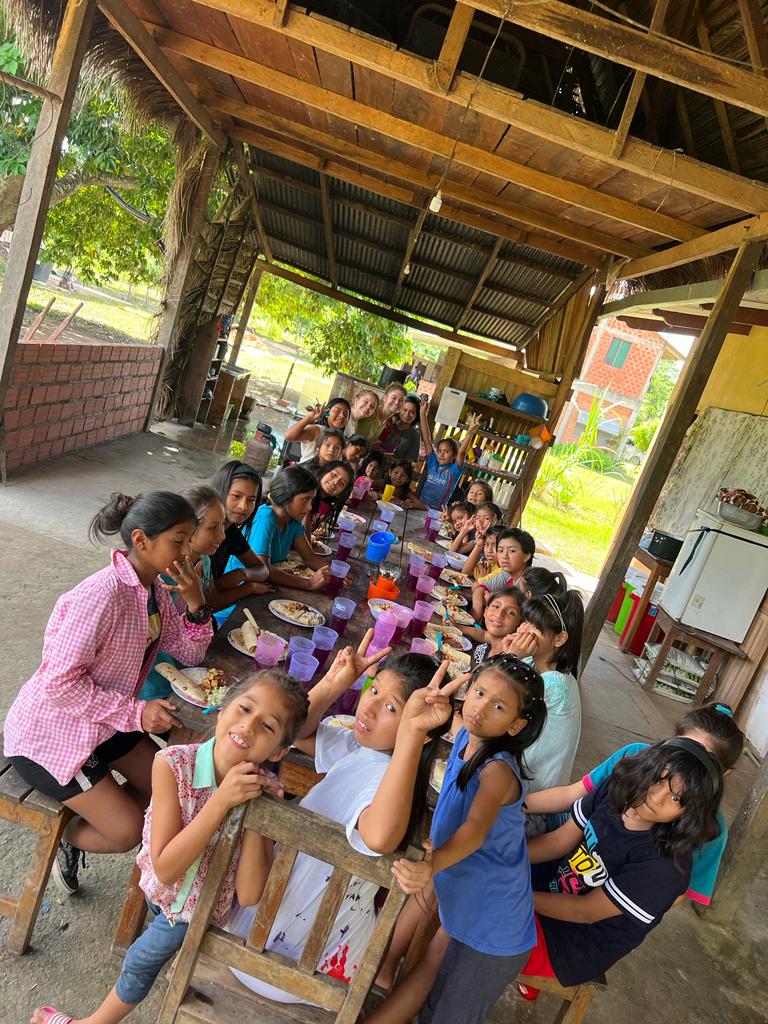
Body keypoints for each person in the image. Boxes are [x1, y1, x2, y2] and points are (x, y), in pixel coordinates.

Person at [30, 671, 309, 1024]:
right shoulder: (172, 764)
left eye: (267, 726)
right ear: (222, 710)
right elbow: (163, 868)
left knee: (139, 960)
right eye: (244, 708)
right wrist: (221, 801)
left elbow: (251, 894)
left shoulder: (263, 792)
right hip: (162, 884)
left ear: (280, 750)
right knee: (157, 906)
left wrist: (258, 815)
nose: (248, 726)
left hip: (198, 907)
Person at [227, 636, 466, 1004]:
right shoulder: (363, 750)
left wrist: (412, 734)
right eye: (372, 690)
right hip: (308, 970)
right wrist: (337, 681)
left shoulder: (386, 780)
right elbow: (297, 732)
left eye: (390, 707)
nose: (368, 709)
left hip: (260, 945)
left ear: (421, 727)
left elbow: (380, 837)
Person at [3, 492, 214, 895]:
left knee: (170, 784)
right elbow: (60, 684)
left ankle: (103, 799)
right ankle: (68, 838)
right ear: (142, 540)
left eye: (189, 540)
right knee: (128, 830)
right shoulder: (101, 596)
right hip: (52, 736)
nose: (188, 550)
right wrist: (136, 715)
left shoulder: (153, 590)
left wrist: (196, 605)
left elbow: (187, 653)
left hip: (103, 722)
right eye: (179, 540)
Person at [363, 654, 548, 1024]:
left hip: (494, 927)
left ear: (515, 726)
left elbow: (475, 830)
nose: (480, 707)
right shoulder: (468, 733)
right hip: (466, 902)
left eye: (498, 706)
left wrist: (432, 864)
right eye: (478, 693)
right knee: (430, 976)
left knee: (451, 1015)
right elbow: (433, 717)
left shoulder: (497, 772)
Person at [518, 740, 723, 995]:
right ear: (647, 767)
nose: (656, 797)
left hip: (566, 943)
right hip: (547, 891)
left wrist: (515, 894)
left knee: (473, 919)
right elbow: (559, 841)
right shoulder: (618, 790)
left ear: (689, 812)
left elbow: (585, 911)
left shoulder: (666, 867)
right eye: (659, 779)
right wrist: (500, 864)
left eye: (675, 797)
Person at [523, 702, 744, 907]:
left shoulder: (710, 827)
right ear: (673, 741)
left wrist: (621, 907)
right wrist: (515, 804)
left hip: (600, 896)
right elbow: (572, 796)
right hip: (571, 836)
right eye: (687, 748)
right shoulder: (635, 756)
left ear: (724, 773)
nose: (656, 797)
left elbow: (674, 894)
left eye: (705, 761)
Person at [141, 486, 227, 700]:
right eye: (213, 528)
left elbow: (207, 606)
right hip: (156, 677)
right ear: (189, 530)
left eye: (222, 526)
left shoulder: (204, 561)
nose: (222, 535)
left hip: (189, 661)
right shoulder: (164, 576)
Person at [503, 591, 584, 792]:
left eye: (535, 627)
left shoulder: (555, 687)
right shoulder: (532, 660)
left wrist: (509, 657)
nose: (522, 630)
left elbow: (496, 704)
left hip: (528, 792)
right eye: (525, 621)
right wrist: (509, 658)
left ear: (559, 639)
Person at [249, 466, 332, 591]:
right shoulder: (266, 518)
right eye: (305, 500)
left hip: (266, 588)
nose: (310, 507)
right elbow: (262, 568)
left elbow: (309, 557)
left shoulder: (292, 521)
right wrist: (308, 583)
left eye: (311, 500)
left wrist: (335, 574)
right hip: (243, 594)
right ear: (285, 496)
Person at [208, 461, 272, 617]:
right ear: (220, 491)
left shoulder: (230, 532)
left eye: (251, 500)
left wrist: (241, 574)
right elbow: (207, 605)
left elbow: (262, 570)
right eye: (236, 496)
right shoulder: (201, 536)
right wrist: (247, 588)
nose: (243, 507)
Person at [418, 401, 482, 509]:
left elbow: (462, 452)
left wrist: (470, 432)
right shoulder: (433, 462)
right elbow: (426, 439)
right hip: (419, 505)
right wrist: (422, 414)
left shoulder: (454, 470)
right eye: (439, 451)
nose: (442, 454)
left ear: (453, 455)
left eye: (446, 452)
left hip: (436, 512)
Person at [470, 527, 535, 622]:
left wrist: (491, 600)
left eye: (512, 551)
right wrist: (477, 613)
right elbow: (479, 588)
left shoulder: (530, 584)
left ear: (527, 556)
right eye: (500, 551)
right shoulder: (507, 573)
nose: (504, 556)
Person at [465, 588, 525, 667]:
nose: (499, 615)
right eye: (496, 606)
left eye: (510, 612)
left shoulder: (508, 664)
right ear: (485, 611)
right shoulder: (482, 648)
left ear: (520, 623)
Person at [284, 398, 351, 461]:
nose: (342, 415)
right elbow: (289, 436)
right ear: (327, 414)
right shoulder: (318, 430)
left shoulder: (341, 439)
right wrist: (310, 417)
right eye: (337, 411)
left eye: (346, 414)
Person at [304, 460, 355, 537]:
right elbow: (303, 535)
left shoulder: (325, 505)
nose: (336, 482)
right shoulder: (306, 495)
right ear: (323, 472)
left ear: (341, 493)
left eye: (342, 483)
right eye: (334, 474)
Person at [379, 394, 423, 461]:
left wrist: (392, 459)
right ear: (399, 409)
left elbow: (409, 462)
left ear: (416, 415)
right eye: (405, 410)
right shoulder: (387, 423)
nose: (407, 414)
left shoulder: (415, 435)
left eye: (412, 412)